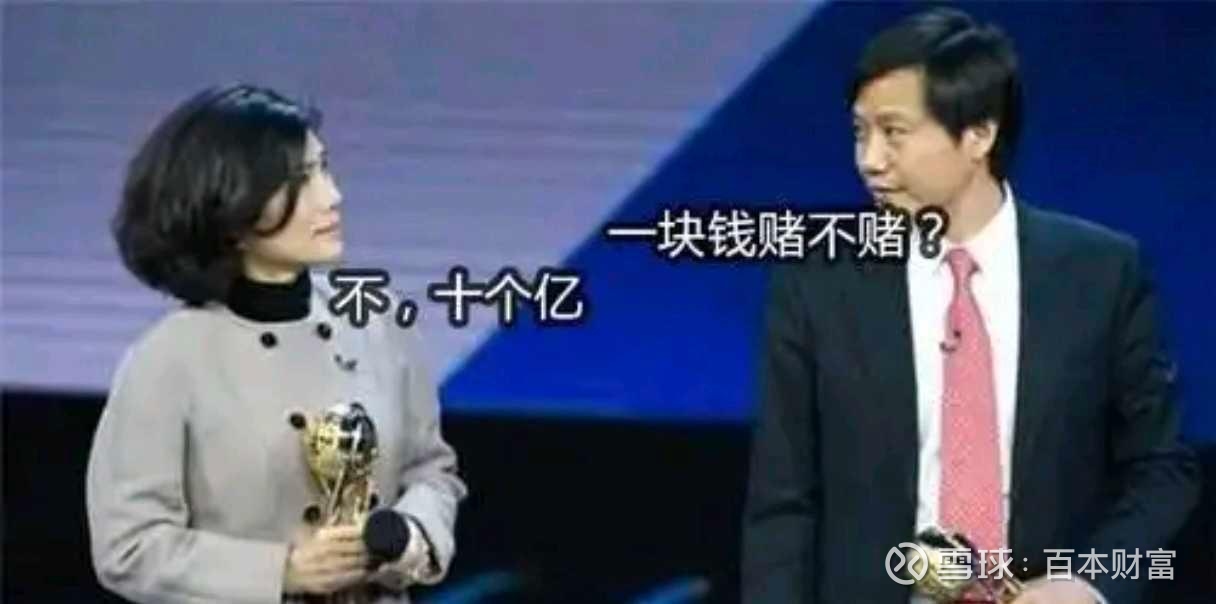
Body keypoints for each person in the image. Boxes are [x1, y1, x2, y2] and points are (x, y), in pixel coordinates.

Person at [741, 8, 1200, 604]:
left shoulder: (1102, 273)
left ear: (979, 135)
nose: (870, 159)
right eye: (860, 132)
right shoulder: (817, 282)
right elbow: (782, 504)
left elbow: (1161, 469)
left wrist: (1090, 583)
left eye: (894, 132)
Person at [86, 83, 467, 603]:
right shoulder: (169, 359)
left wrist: (406, 537)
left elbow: (431, 471)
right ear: (231, 211)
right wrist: (282, 572)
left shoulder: (379, 324)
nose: (332, 196)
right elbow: (129, 546)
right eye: (299, 181)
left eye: (324, 169)